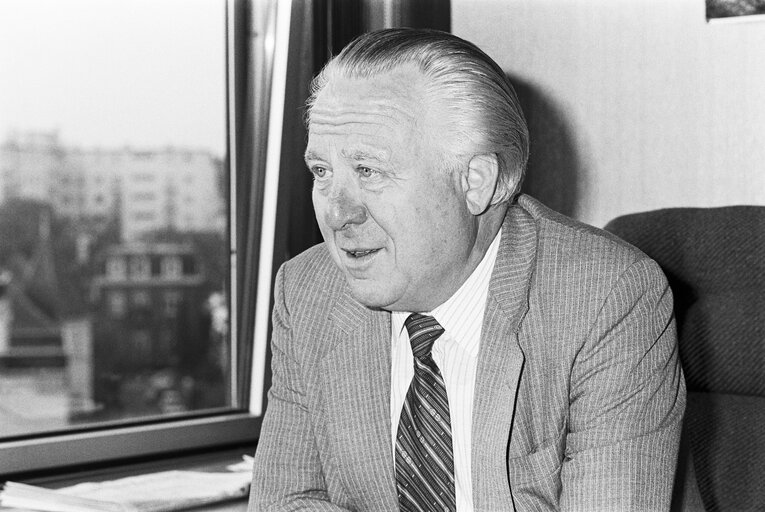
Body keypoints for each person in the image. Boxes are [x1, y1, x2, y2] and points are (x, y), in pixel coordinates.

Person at [250, 28, 685, 511]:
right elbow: (284, 502)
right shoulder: (307, 291)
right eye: (322, 172)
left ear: (475, 183)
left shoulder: (607, 298)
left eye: (368, 171)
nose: (336, 214)